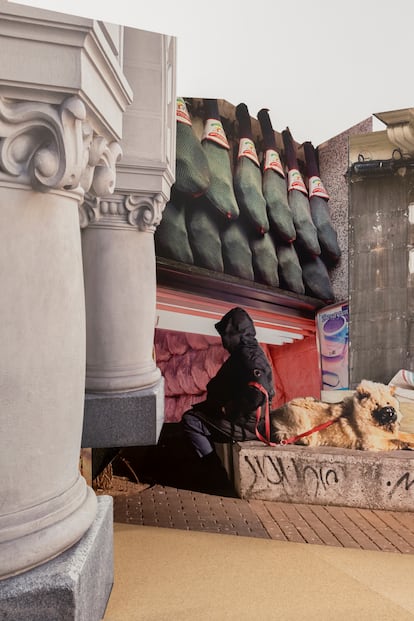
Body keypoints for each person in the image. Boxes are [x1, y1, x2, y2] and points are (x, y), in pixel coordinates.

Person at [181, 307, 275, 493]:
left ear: (234, 334)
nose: (223, 341)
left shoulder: (249, 356)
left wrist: (230, 409)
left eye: (225, 335)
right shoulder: (247, 352)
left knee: (190, 420)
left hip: (244, 425)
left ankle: (216, 478)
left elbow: (258, 391)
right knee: (195, 415)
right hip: (243, 420)